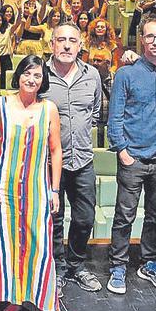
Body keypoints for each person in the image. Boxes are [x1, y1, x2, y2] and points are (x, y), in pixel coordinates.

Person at [0, 55, 82, 311]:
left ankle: (53, 310)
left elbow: (56, 151)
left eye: (37, 75)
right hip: (3, 188)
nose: (31, 79)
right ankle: (15, 300)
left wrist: (55, 189)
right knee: (7, 244)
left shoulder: (49, 109)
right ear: (18, 75)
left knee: (40, 248)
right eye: (27, 73)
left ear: (43, 79)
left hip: (36, 190)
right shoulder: (0, 104)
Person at [106, 13, 156, 294]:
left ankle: (149, 261)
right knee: (124, 215)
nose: (155, 41)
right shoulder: (126, 74)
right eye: (150, 36)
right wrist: (123, 152)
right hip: (133, 158)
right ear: (142, 39)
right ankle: (117, 265)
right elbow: (115, 118)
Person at [40, 22, 103, 291]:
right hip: (48, 163)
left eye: (72, 40)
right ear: (51, 44)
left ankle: (77, 264)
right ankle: (56, 267)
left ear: (80, 44)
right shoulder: (39, 76)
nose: (66, 45)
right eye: (61, 40)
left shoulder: (92, 76)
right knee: (53, 218)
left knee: (85, 217)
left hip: (83, 160)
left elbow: (96, 114)